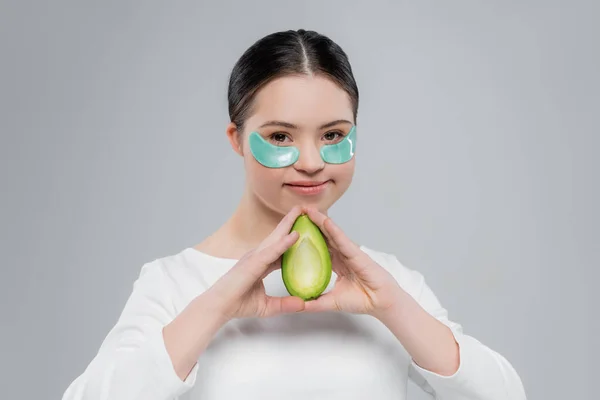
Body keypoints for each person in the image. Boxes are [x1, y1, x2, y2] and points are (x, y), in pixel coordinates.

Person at [62, 29, 527, 400]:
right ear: (236, 138)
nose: (311, 161)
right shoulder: (172, 284)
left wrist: (394, 306)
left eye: (333, 134)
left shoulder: (389, 284)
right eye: (281, 136)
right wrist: (216, 305)